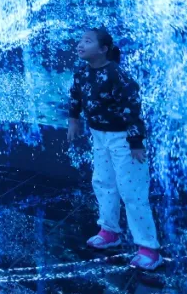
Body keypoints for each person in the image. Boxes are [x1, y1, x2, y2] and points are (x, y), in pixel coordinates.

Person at [68, 27, 163, 270]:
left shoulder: (117, 75)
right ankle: (109, 231)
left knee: (132, 192)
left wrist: (136, 142)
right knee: (103, 182)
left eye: (87, 41)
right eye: (81, 40)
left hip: (123, 139)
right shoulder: (82, 73)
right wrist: (73, 120)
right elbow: (76, 97)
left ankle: (149, 249)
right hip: (99, 136)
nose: (80, 44)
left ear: (103, 49)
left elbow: (132, 107)